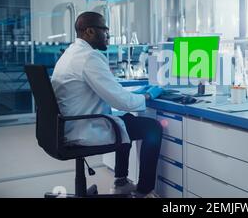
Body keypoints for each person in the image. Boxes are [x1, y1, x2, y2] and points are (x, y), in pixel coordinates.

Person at [51, 12, 164, 197]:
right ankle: (144, 190)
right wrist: (147, 96)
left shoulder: (71, 53)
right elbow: (122, 101)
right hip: (84, 129)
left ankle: (121, 181)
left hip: (68, 125)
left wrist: (131, 95)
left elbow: (111, 93)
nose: (108, 35)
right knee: (151, 128)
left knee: (125, 120)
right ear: (89, 31)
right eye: (105, 30)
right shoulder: (89, 58)